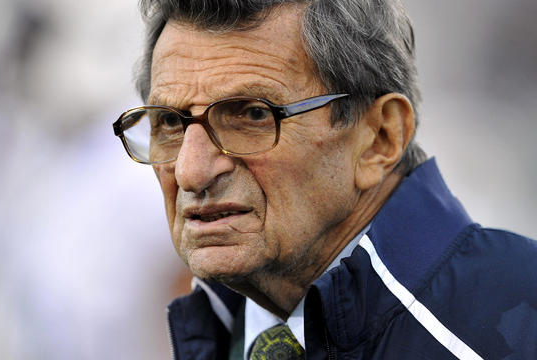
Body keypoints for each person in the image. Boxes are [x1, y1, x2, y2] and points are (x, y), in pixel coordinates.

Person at [113, 0, 537, 359]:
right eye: (169, 122)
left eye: (252, 114)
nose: (191, 171)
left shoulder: (516, 325)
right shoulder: (221, 329)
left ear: (380, 138)